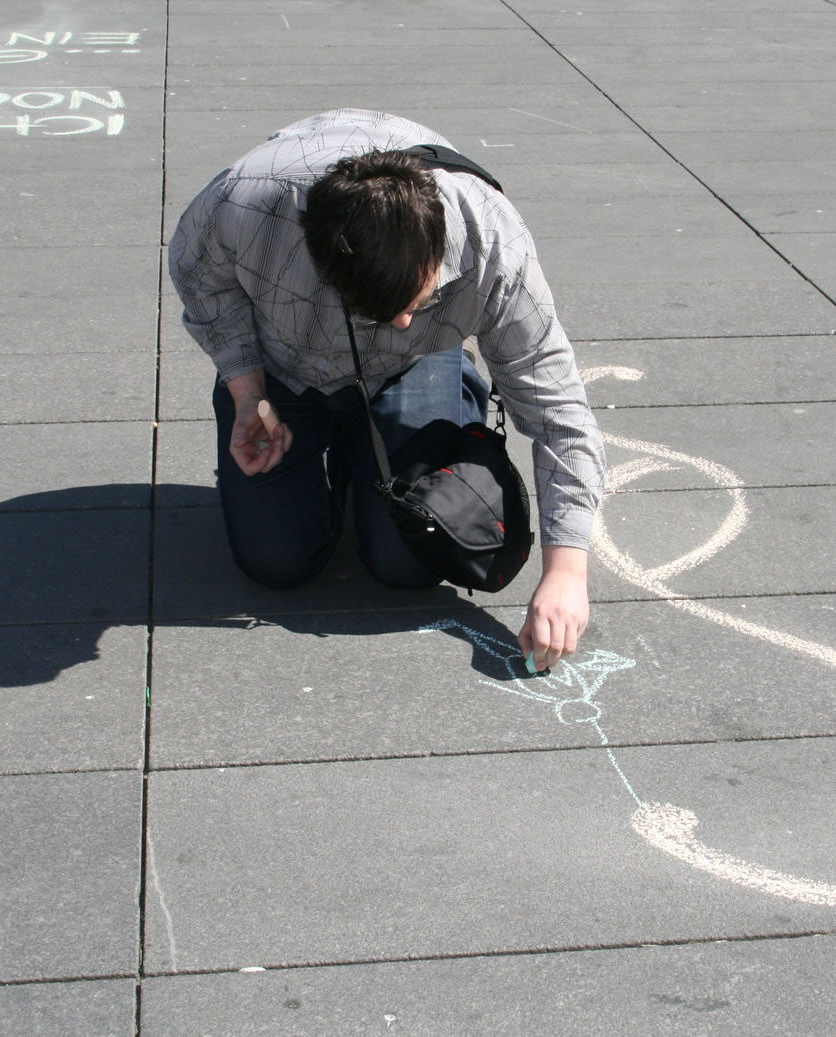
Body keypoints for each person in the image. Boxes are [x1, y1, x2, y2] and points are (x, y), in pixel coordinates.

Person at [167, 109, 605, 670]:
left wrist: (566, 572)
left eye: (416, 302)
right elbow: (199, 277)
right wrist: (247, 389)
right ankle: (354, 446)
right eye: (382, 309)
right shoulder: (244, 209)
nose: (402, 322)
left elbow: (559, 412)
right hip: (288, 362)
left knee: (411, 563)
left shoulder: (495, 249)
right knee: (276, 566)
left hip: (412, 366)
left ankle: (435, 396)